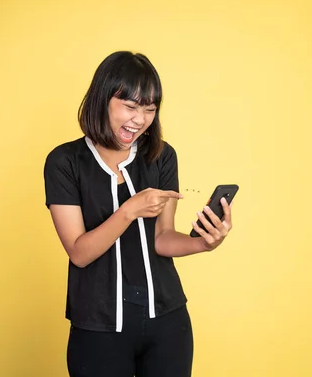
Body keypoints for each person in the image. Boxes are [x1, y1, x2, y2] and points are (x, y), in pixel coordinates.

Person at [43, 51, 233, 377]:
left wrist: (205, 243)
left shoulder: (161, 155)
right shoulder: (65, 161)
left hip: (168, 321)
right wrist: (129, 210)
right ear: (103, 99)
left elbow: (161, 238)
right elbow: (79, 252)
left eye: (149, 109)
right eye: (130, 107)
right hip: (99, 326)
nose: (140, 119)